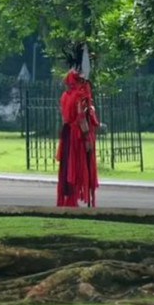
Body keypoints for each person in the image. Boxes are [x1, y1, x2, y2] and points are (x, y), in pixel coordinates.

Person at [55, 42, 99, 207]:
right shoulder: (80, 95)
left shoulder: (65, 95)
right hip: (77, 136)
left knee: (67, 167)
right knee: (77, 166)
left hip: (67, 133)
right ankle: (74, 200)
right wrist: (87, 137)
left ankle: (69, 199)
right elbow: (81, 118)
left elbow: (64, 118)